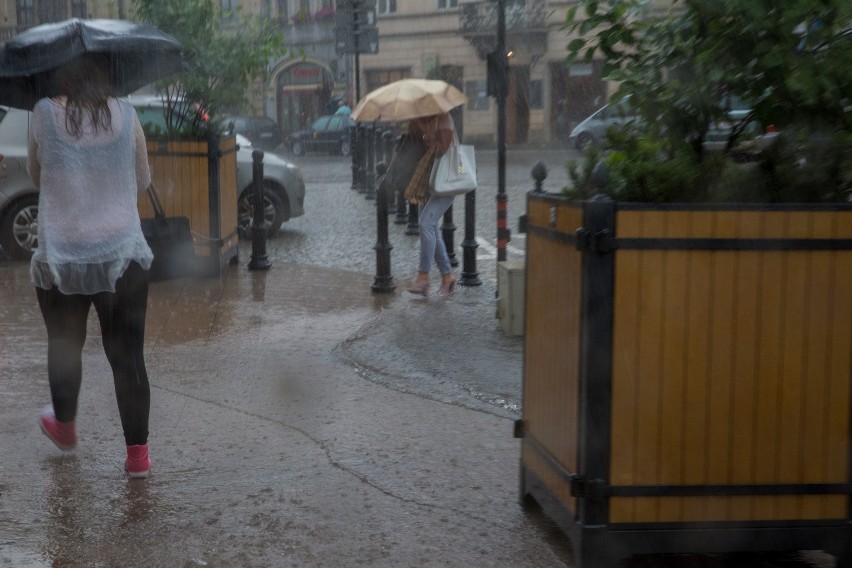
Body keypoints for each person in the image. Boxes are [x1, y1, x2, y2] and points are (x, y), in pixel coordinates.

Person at [28, 54, 155, 479]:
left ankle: (65, 426)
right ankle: (138, 457)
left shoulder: (42, 114)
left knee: (65, 346)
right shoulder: (128, 115)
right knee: (128, 357)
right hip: (123, 254)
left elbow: (36, 176)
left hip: (63, 255)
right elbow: (143, 180)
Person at [404, 112, 457, 296]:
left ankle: (423, 276)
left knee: (426, 223)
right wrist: (416, 126)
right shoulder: (422, 120)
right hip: (429, 180)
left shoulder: (444, 119)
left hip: (448, 180)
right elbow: (415, 141)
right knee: (431, 228)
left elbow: (442, 149)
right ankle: (447, 275)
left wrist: (428, 137)